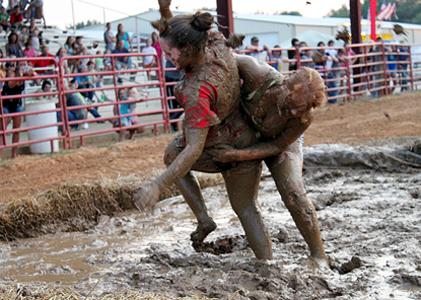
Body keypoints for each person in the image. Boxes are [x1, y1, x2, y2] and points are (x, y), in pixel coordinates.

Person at [134, 1, 273, 260]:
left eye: (169, 54)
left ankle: (261, 260)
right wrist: (166, 13)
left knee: (243, 207)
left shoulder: (197, 91)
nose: (167, 59)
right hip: (242, 127)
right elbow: (183, 31)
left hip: (223, 146)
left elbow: (194, 149)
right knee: (246, 208)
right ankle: (261, 260)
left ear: (186, 50)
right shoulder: (214, 40)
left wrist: (157, 184)